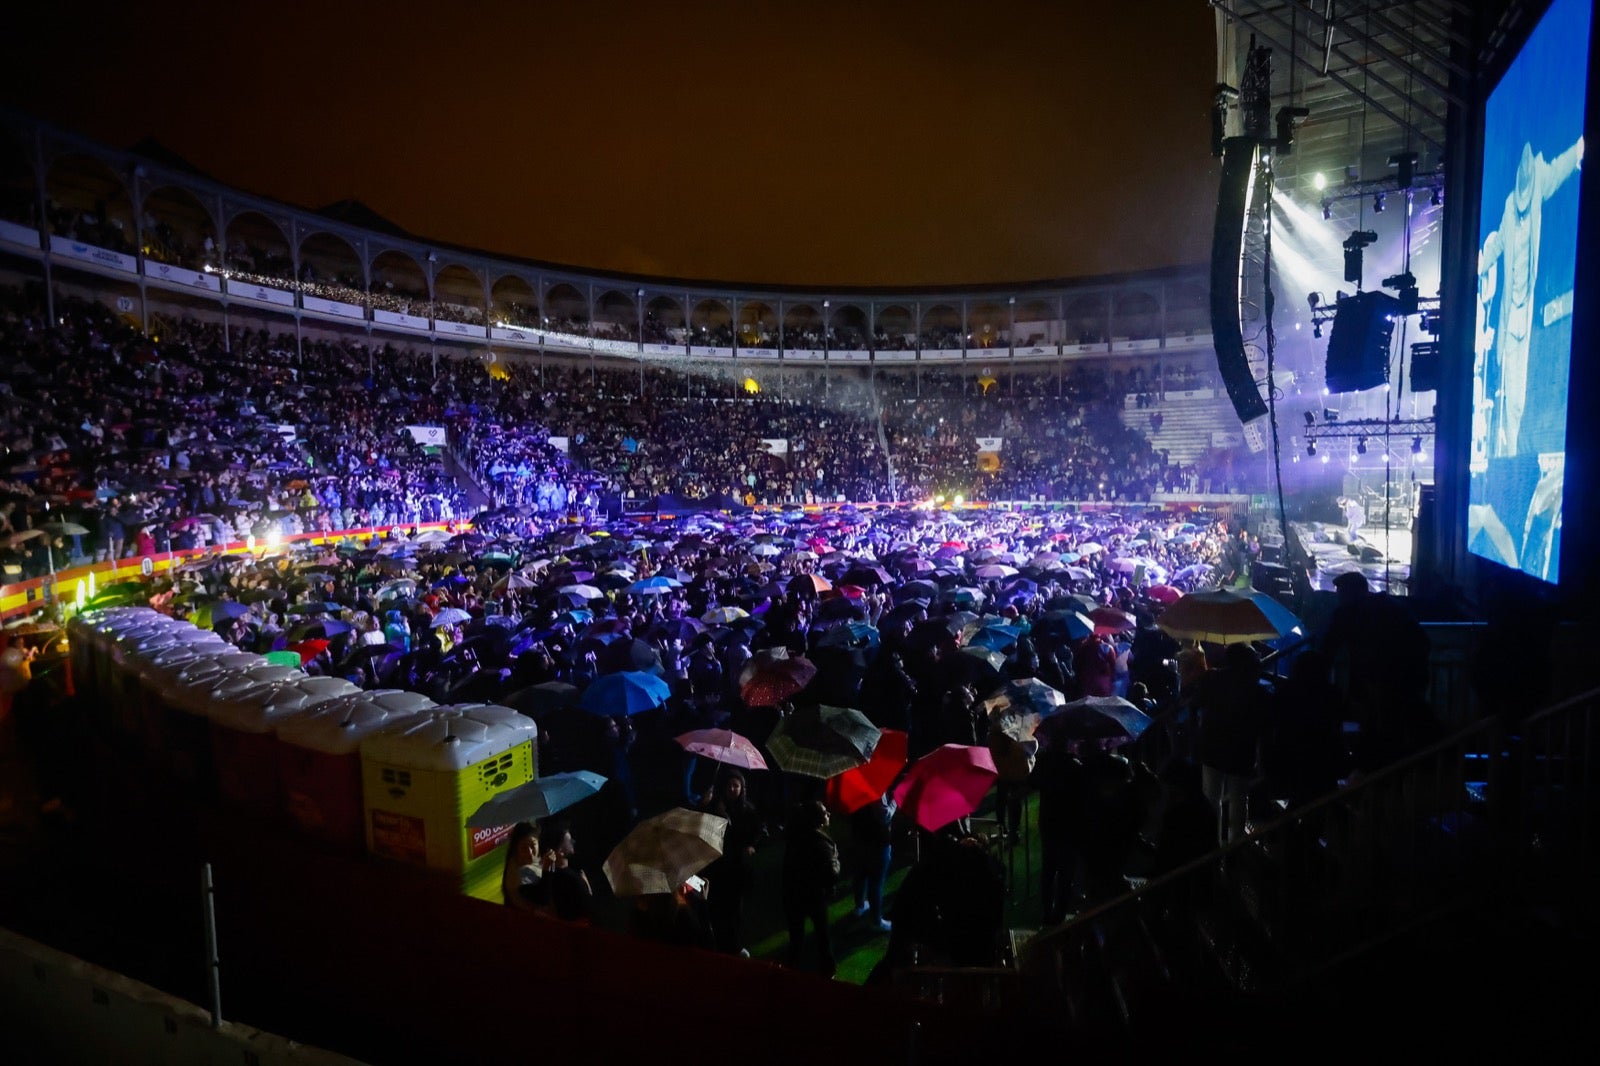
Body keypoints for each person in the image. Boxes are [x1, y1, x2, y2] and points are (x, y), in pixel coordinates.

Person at [699, 768, 766, 954]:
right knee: (716, 907)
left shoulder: (747, 810)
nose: (732, 789)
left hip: (736, 869)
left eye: (736, 786)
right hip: (716, 866)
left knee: (734, 911)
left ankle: (734, 944)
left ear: (742, 788)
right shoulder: (715, 805)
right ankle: (718, 943)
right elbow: (700, 826)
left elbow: (759, 830)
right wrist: (705, 805)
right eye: (729, 785)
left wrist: (751, 845)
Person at [781, 799, 841, 977]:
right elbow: (832, 874)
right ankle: (827, 969)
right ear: (817, 819)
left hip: (793, 895)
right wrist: (835, 858)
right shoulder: (821, 844)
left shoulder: (794, 836)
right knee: (823, 935)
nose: (828, 814)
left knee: (796, 938)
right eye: (824, 812)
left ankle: (791, 970)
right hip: (814, 896)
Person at [848, 792, 895, 932]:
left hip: (859, 836)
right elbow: (884, 816)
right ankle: (876, 921)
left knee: (861, 874)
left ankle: (860, 906)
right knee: (876, 882)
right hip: (877, 841)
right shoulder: (874, 789)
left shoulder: (853, 783)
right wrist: (895, 802)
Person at [536, 817, 592, 922]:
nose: (573, 842)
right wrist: (586, 885)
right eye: (569, 840)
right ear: (560, 851)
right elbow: (588, 906)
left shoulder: (553, 876)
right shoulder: (569, 879)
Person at [500, 822, 543, 911]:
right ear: (516, 850)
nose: (529, 852)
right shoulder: (519, 875)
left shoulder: (532, 861)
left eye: (533, 845)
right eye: (523, 848)